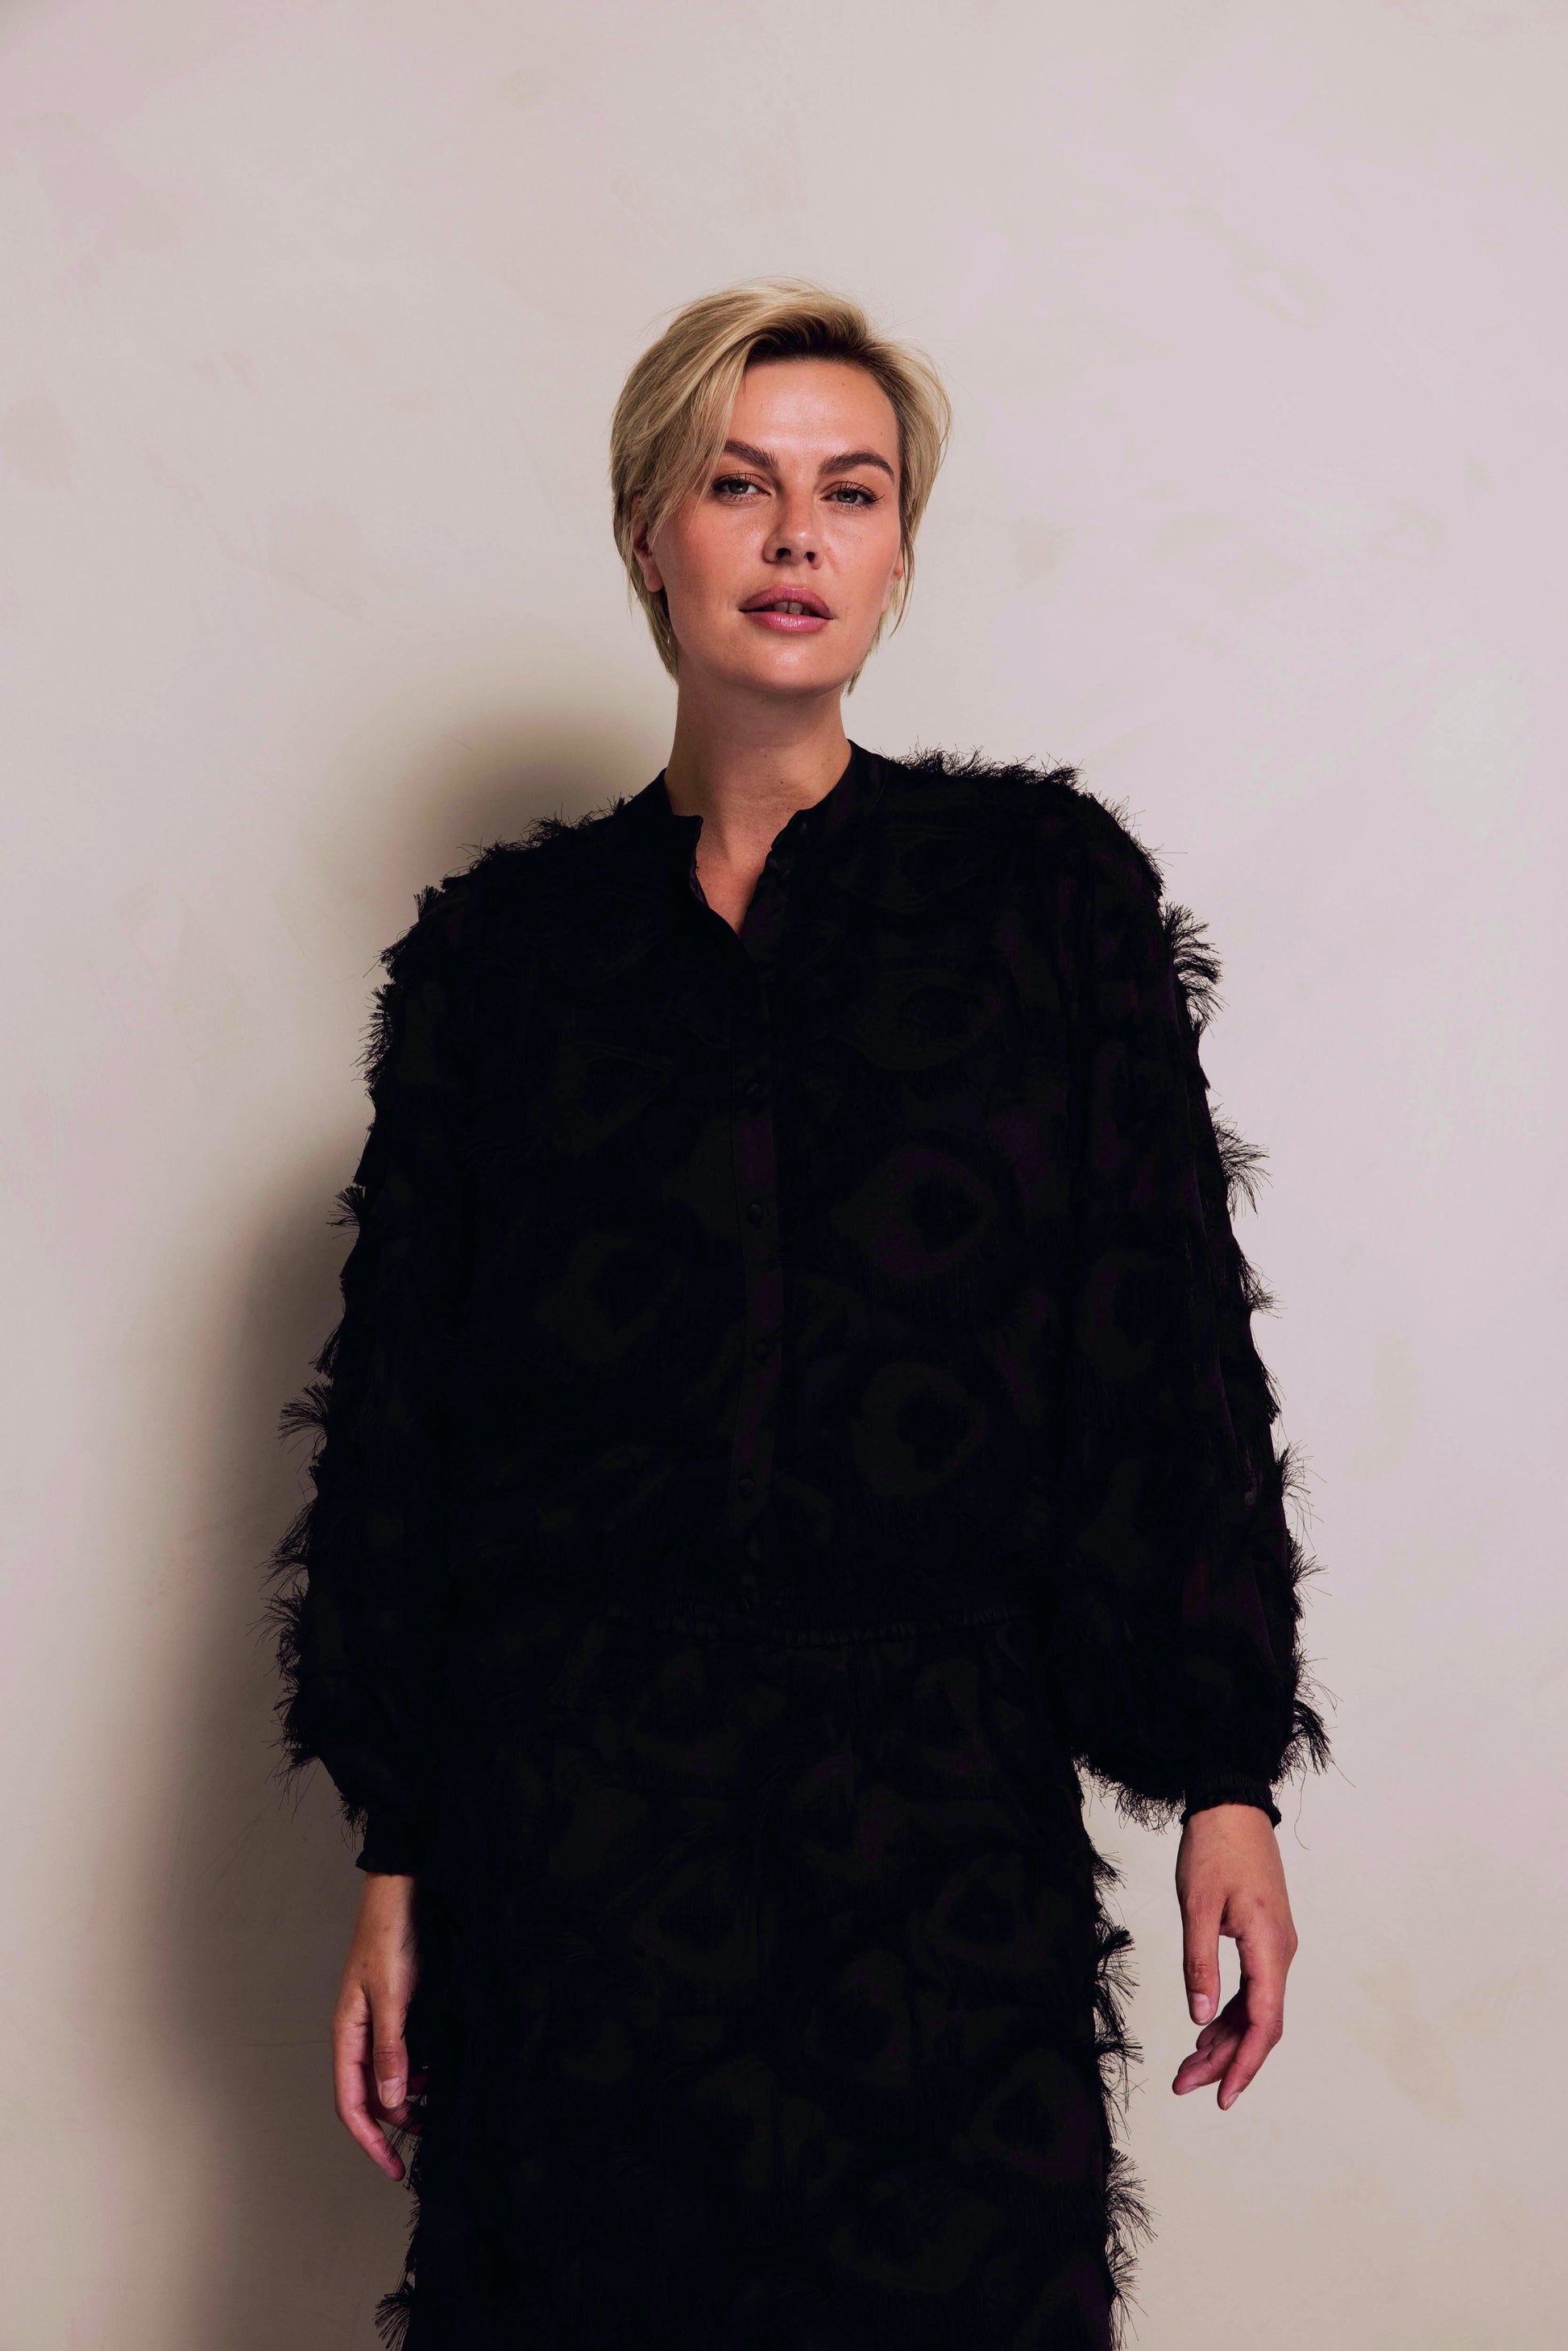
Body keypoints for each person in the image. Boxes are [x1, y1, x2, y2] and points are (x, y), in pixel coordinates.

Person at [270, 278, 1326, 2351]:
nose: (794, 537)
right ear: (645, 530)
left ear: (902, 549)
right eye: (737, 484)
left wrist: (1227, 1776)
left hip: (935, 1825)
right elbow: (416, 1421)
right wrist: (401, 1854)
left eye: (850, 491)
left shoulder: (1042, 902)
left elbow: (1161, 1333)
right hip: (573, 1838)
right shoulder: (505, 961)